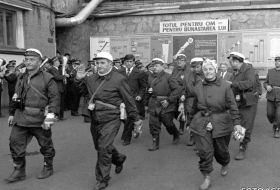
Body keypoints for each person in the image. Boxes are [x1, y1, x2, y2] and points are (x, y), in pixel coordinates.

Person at [78, 52, 142, 190]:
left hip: (112, 117)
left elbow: (129, 100)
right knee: (99, 146)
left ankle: (102, 179)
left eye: (102, 63)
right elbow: (82, 92)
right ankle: (118, 158)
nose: (99, 66)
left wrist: (136, 119)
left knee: (103, 147)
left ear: (110, 64)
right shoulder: (91, 78)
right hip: (95, 117)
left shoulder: (119, 79)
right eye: (97, 63)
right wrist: (78, 79)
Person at [5, 48, 59, 183]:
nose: (28, 62)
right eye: (26, 59)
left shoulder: (48, 78)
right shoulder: (21, 77)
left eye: (32, 60)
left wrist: (50, 118)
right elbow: (16, 96)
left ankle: (48, 166)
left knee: (46, 145)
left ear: (40, 61)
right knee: (15, 142)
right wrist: (12, 113)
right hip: (21, 117)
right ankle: (19, 170)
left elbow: (55, 99)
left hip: (40, 119)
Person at [190, 59, 241, 190]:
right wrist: (190, 121)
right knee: (204, 152)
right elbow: (195, 106)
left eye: (210, 69)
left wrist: (237, 123)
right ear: (203, 71)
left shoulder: (225, 86)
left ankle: (224, 162)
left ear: (215, 70)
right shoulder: (198, 86)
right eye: (205, 69)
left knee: (221, 151)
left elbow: (232, 106)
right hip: (202, 121)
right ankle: (206, 177)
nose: (208, 72)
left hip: (221, 122)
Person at [228, 52, 258, 160]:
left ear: (237, 61)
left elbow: (250, 83)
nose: (230, 63)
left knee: (246, 125)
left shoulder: (248, 69)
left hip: (248, 102)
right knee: (237, 123)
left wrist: (232, 84)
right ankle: (239, 139)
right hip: (237, 101)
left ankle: (242, 147)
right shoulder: (233, 72)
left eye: (231, 61)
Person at [147, 58, 181, 151]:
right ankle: (155, 143)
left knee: (168, 123)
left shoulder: (168, 76)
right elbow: (148, 88)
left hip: (166, 103)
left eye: (157, 65)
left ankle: (175, 133)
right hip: (154, 103)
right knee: (153, 124)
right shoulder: (150, 77)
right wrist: (149, 91)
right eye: (153, 66)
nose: (155, 67)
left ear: (163, 66)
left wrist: (169, 100)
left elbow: (177, 90)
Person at [119, 54, 147, 146]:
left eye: (130, 61)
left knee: (129, 118)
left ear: (134, 63)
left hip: (134, 99)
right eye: (127, 61)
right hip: (122, 99)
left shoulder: (140, 73)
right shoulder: (120, 72)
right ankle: (136, 125)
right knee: (123, 118)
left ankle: (127, 138)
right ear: (124, 62)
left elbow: (143, 86)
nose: (128, 63)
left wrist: (140, 95)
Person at [171, 54, 191, 135]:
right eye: (178, 60)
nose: (179, 62)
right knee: (176, 111)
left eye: (181, 60)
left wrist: (183, 94)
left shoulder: (188, 70)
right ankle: (182, 124)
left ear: (185, 62)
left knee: (187, 111)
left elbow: (188, 84)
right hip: (176, 94)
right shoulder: (175, 70)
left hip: (186, 94)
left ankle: (185, 127)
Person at [263, 56, 280, 138]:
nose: (277, 62)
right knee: (269, 114)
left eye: (279, 61)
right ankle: (275, 123)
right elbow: (265, 82)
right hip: (271, 96)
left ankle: (277, 129)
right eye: (276, 61)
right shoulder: (270, 71)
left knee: (279, 114)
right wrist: (267, 86)